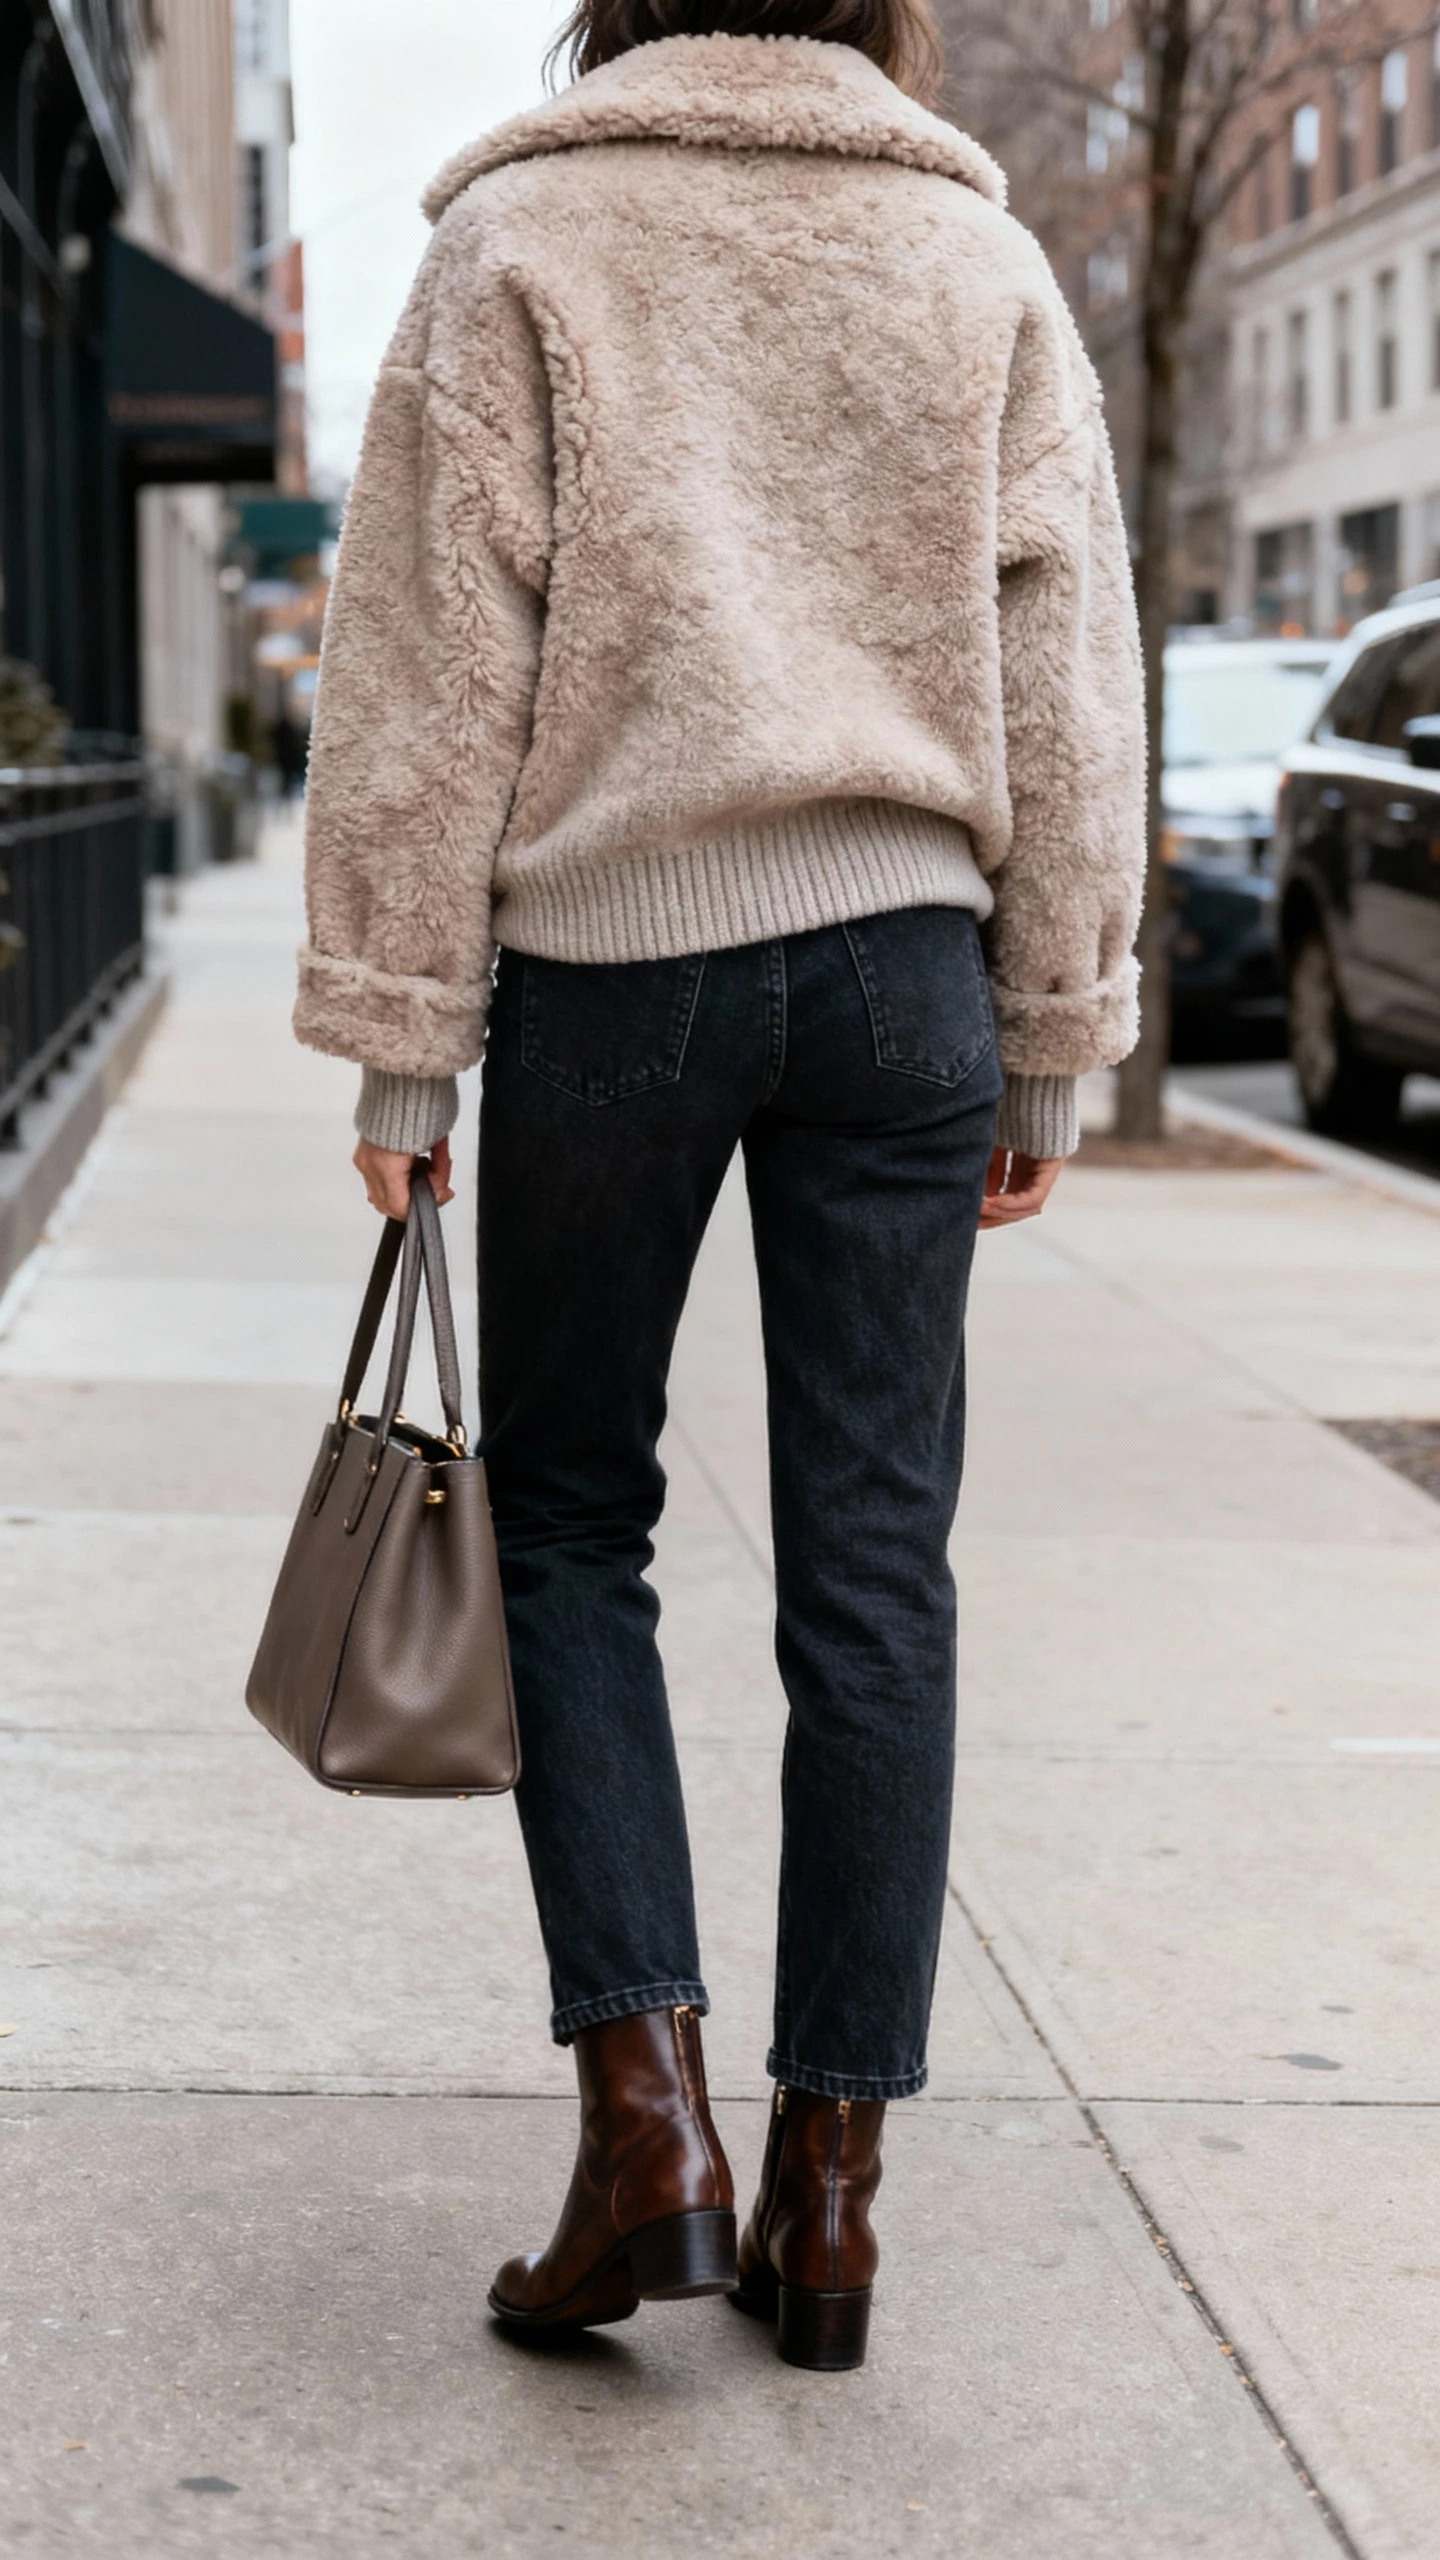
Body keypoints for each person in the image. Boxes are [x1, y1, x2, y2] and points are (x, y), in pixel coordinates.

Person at [295, 0, 1144, 2373]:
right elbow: (1067, 661)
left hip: (615, 967)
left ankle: (645, 2124)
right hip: (905, 976)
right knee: (879, 1564)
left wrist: (398, 1019)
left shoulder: (527, 230)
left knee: (569, 1521)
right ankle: (834, 2198)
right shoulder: (970, 260)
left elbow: (431, 652)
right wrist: (1059, 1019)